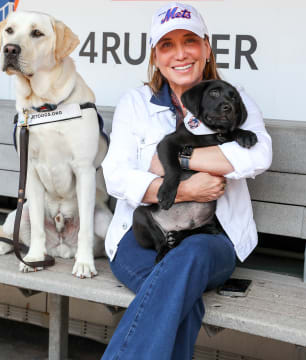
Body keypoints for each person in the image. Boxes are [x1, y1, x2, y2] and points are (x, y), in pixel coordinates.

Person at [100, 2, 272, 359]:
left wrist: (177, 159)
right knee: (180, 298)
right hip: (141, 240)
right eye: (167, 45)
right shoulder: (136, 104)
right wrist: (184, 189)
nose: (180, 54)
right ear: (155, 55)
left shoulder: (234, 98)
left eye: (190, 41)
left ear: (206, 48)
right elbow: (116, 175)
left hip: (211, 241)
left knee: (185, 264)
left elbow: (257, 155)